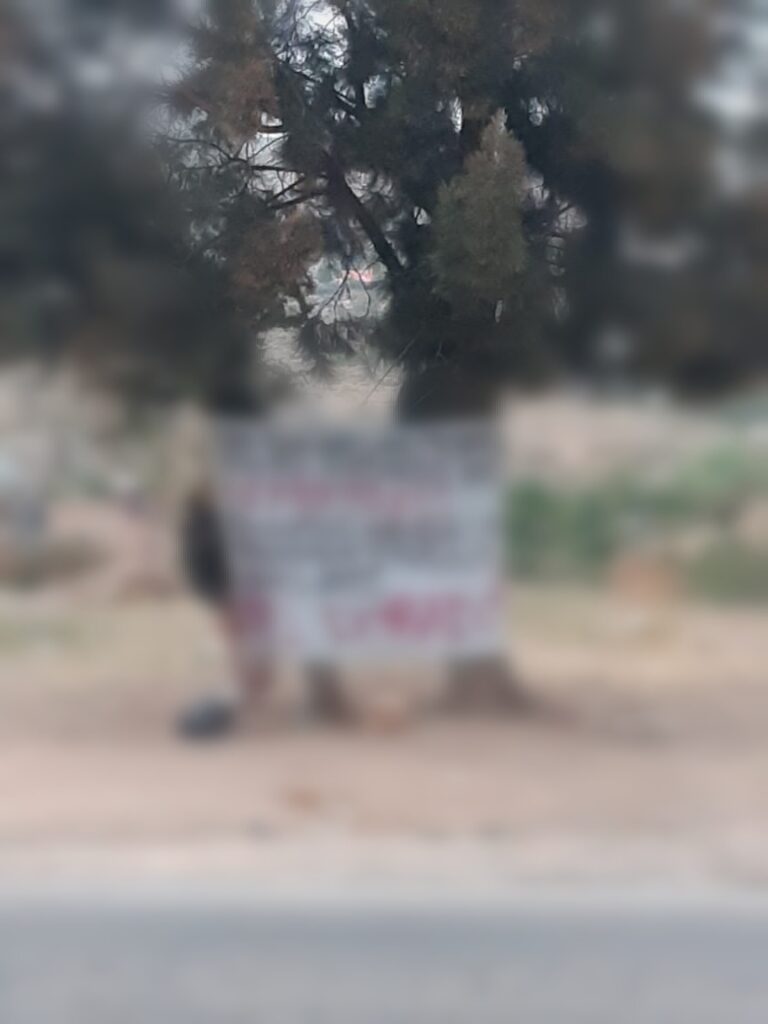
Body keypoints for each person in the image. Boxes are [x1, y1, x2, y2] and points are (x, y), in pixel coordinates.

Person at [177, 484, 348, 739]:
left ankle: (257, 691)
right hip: (230, 590)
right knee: (244, 645)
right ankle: (249, 693)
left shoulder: (222, 518)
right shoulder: (206, 524)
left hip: (248, 590)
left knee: (256, 644)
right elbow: (204, 563)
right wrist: (222, 595)